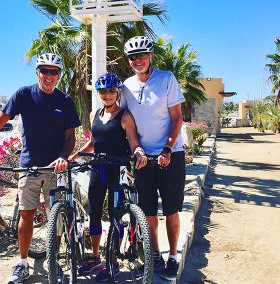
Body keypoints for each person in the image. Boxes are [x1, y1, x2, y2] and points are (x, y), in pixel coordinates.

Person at [0, 53, 81, 284]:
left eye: (53, 72)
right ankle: (23, 263)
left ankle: (54, 260)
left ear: (59, 75)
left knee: (54, 217)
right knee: (26, 215)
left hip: (55, 168)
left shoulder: (65, 100)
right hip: (29, 166)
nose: (48, 76)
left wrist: (63, 157)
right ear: (37, 72)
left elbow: (70, 136)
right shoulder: (23, 95)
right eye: (44, 71)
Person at [69, 73, 148, 282]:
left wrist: (138, 152)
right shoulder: (96, 114)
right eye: (103, 91)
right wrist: (75, 155)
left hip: (117, 168)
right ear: (99, 94)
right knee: (94, 213)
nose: (107, 95)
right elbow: (94, 141)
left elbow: (133, 140)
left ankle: (112, 260)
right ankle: (95, 257)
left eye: (111, 91)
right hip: (98, 168)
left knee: (115, 216)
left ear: (117, 92)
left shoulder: (125, 116)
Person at [121, 36, 186, 281]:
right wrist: (135, 149)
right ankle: (154, 255)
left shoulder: (167, 78)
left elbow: (177, 118)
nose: (138, 60)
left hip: (171, 155)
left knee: (171, 209)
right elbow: (128, 123)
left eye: (142, 55)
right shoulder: (126, 85)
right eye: (133, 57)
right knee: (148, 212)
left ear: (151, 56)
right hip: (143, 158)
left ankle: (172, 257)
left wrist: (168, 149)